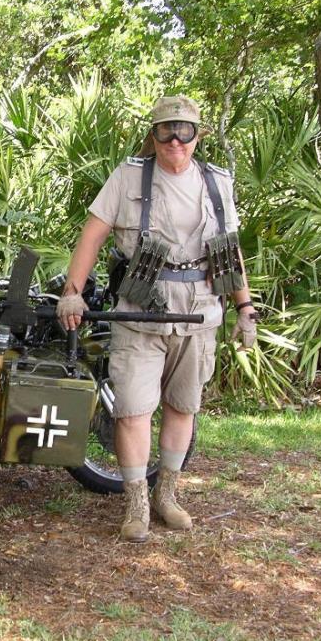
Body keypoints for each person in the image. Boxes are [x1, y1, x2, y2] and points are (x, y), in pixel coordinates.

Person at [56, 96, 257, 542]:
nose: (175, 140)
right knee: (131, 410)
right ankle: (136, 504)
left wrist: (245, 307)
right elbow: (93, 234)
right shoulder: (129, 176)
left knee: (182, 407)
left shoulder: (217, 182)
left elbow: (230, 250)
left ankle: (167, 495)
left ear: (198, 136)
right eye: (166, 130)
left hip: (200, 310)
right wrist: (72, 293)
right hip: (140, 311)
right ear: (154, 136)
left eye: (185, 131)